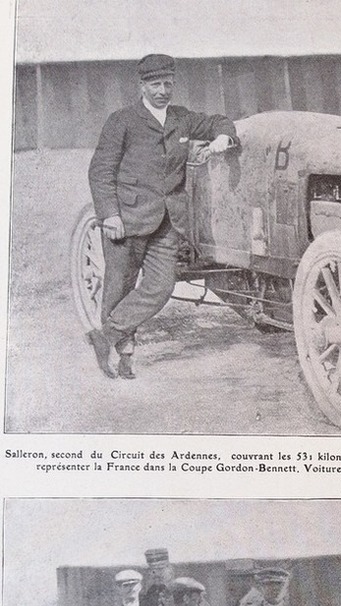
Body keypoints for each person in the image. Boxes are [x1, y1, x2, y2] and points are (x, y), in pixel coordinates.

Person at [86, 54, 239, 380]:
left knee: (160, 286)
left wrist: (223, 136)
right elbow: (101, 171)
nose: (162, 90)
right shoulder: (122, 120)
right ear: (142, 86)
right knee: (119, 288)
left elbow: (218, 121)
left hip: (168, 221)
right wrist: (109, 215)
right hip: (126, 221)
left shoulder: (181, 118)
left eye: (168, 84)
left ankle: (105, 336)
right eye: (155, 84)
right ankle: (124, 356)